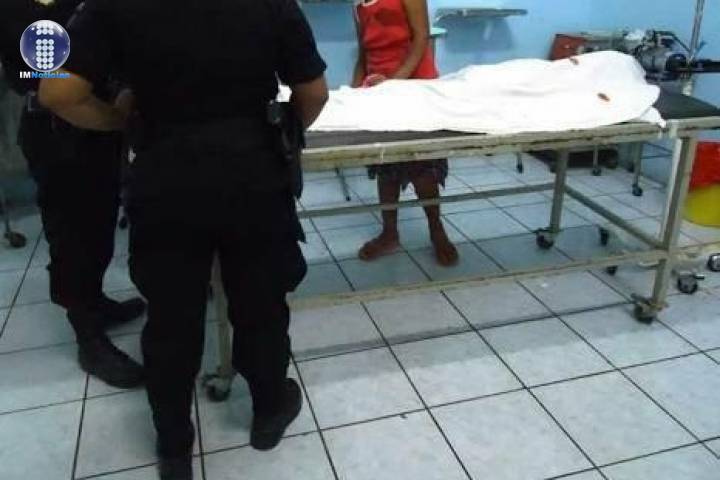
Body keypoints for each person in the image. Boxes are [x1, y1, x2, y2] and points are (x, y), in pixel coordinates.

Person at [38, 1, 329, 479]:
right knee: (260, 303)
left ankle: (174, 445)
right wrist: (280, 137)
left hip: (165, 177)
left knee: (171, 317)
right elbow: (313, 93)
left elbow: (56, 92)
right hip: (252, 174)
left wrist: (119, 122)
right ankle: (268, 412)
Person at [0, 0, 146, 388]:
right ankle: (88, 337)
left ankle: (96, 303)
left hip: (98, 123)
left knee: (100, 223)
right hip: (54, 129)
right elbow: (41, 75)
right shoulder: (16, 8)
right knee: (71, 237)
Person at [353, 0, 459, 266]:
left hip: (413, 83)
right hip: (378, 86)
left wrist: (396, 83)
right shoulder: (357, 3)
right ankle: (389, 233)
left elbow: (421, 38)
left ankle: (436, 229)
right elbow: (363, 50)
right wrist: (354, 93)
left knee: (423, 165)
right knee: (385, 163)